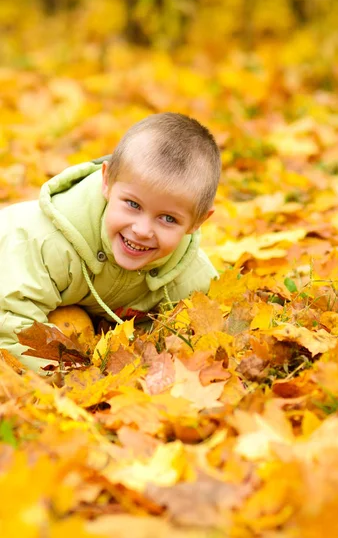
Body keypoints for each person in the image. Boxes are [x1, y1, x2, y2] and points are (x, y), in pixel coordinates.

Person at [0, 112, 221, 372]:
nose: (141, 230)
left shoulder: (187, 277)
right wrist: (71, 379)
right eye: (132, 204)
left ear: (197, 222)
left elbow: (196, 335)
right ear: (107, 182)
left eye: (168, 218)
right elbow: (11, 320)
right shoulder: (46, 243)